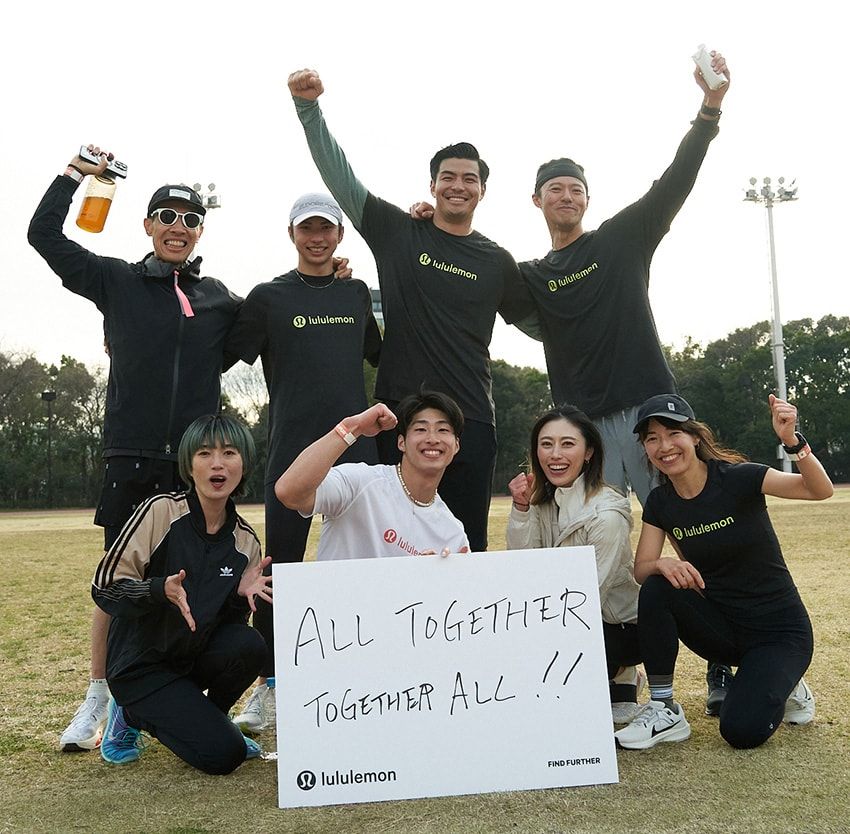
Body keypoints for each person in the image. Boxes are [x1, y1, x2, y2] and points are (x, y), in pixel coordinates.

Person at [411, 48, 733, 710]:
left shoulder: (621, 240)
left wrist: (709, 110)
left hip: (651, 418)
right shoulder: (526, 276)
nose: (566, 196)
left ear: (588, 200)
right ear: (536, 200)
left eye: (576, 189)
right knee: (597, 552)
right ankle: (618, 669)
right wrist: (430, 224)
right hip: (583, 435)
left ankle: (732, 656)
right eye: (555, 188)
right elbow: (465, 269)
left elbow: (675, 180)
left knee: (702, 528)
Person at [28, 147, 243, 752]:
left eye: (190, 219)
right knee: (119, 582)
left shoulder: (220, 300)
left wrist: (331, 274)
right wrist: (76, 174)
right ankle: (102, 695)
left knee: (191, 583)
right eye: (166, 216)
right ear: (148, 225)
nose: (178, 227)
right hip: (131, 458)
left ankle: (152, 701)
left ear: (200, 230)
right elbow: (42, 235)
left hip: (196, 468)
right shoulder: (117, 279)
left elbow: (269, 330)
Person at [287, 69, 535, 553]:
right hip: (396, 418)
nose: (457, 186)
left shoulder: (497, 261)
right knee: (388, 549)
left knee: (464, 551)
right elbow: (343, 180)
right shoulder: (400, 233)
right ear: (433, 185)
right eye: (448, 178)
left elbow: (541, 325)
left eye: (469, 179)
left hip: (471, 423)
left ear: (482, 190)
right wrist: (308, 109)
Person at [226, 192, 381, 732]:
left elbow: (384, 355)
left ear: (339, 236)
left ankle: (370, 680)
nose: (317, 238)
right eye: (306, 229)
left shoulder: (357, 292)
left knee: (370, 566)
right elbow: (220, 349)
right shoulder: (268, 297)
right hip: (292, 453)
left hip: (358, 452)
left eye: (326, 229)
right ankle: (272, 685)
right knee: (280, 573)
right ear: (292, 234)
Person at [614, 393, 833, 750]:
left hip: (780, 634)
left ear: (695, 437)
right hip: (724, 632)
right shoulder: (660, 502)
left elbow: (818, 490)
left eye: (673, 434)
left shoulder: (738, 479)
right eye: (652, 438)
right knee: (657, 585)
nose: (663, 446)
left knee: (741, 732)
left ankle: (788, 683)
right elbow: (641, 570)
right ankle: (664, 707)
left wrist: (793, 441)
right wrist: (661, 563)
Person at [91, 414, 271, 773]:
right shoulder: (161, 512)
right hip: (140, 668)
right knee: (224, 757)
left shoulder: (245, 541)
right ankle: (129, 715)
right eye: (205, 453)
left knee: (250, 645)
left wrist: (238, 596)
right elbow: (105, 587)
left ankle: (209, 722)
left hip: (187, 661)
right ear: (190, 465)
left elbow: (228, 631)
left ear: (244, 463)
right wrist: (159, 590)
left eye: (229, 453)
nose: (217, 463)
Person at [505, 405, 643, 724]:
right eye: (546, 443)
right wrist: (522, 508)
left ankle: (621, 669)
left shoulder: (607, 515)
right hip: (559, 617)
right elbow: (523, 566)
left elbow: (589, 597)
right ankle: (614, 679)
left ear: (589, 452)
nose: (555, 454)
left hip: (615, 628)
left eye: (568, 444)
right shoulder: (542, 498)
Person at [276, 390, 470, 561]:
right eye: (420, 429)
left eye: (443, 430)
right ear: (401, 443)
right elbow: (289, 492)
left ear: (456, 446)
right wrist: (353, 427)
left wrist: (439, 578)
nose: (432, 439)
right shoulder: (360, 482)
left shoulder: (453, 533)